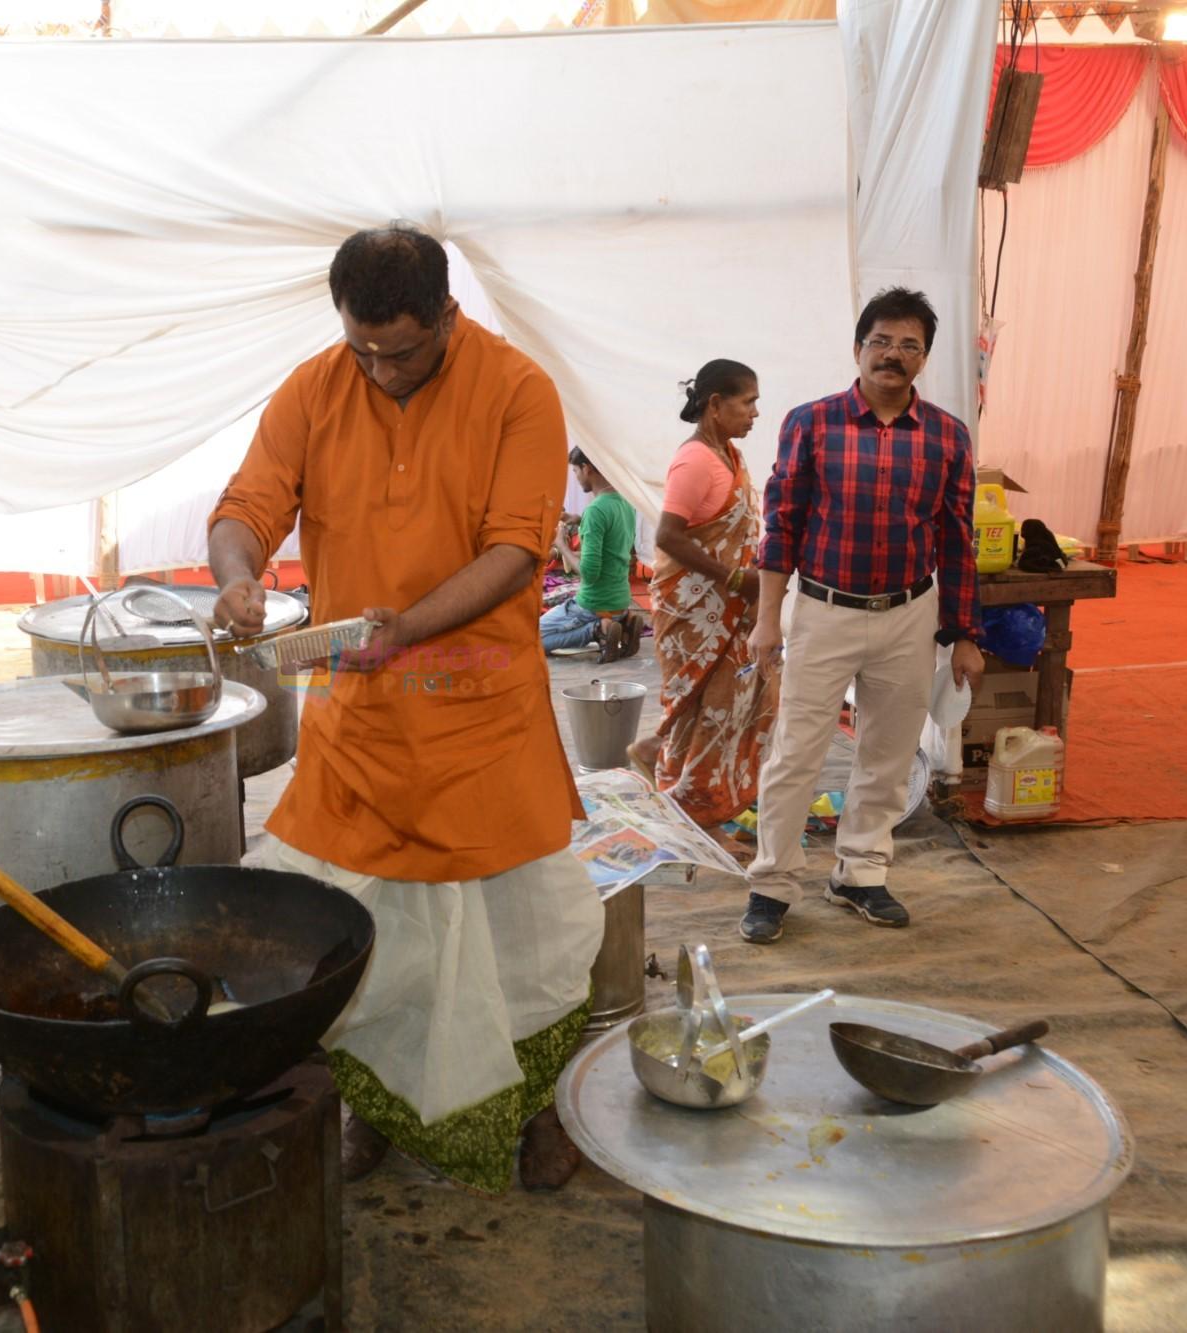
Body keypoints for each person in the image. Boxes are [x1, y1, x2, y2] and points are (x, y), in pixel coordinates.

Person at [208, 225, 603, 1195]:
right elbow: (248, 503)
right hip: (360, 723)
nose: (379, 369)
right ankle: (371, 1111)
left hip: (484, 716)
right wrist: (235, 577)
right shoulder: (314, 386)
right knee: (343, 931)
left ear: (446, 317)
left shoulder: (518, 390)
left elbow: (516, 549)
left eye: (402, 351)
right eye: (362, 349)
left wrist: (406, 627)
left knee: (526, 937)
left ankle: (538, 1113)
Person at [740, 287, 985, 944]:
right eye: (882, 341)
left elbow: (958, 539)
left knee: (889, 750)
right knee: (797, 751)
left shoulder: (947, 436)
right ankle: (771, 883)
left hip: (910, 613)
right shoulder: (810, 423)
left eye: (909, 345)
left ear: (923, 358)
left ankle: (861, 873)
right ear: (858, 348)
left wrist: (963, 633)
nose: (893, 355)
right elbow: (781, 528)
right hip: (824, 610)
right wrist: (769, 619)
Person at [629, 360, 778, 828]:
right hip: (697, 612)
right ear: (716, 405)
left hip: (727, 610)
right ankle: (690, 815)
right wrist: (735, 579)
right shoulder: (695, 460)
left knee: (716, 708)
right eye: (747, 401)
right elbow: (668, 537)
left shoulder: (727, 455)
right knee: (706, 713)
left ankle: (659, 755)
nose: (755, 412)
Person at [538, 447, 642, 661]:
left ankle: (597, 630)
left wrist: (561, 546)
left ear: (587, 468)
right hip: (620, 601)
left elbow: (589, 573)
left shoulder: (595, 510)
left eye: (575, 471)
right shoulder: (625, 502)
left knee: (531, 640)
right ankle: (623, 624)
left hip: (594, 604)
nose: (576, 478)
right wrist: (579, 519)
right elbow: (612, 550)